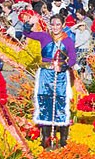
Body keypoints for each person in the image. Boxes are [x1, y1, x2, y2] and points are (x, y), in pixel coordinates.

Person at [28, 14, 76, 150]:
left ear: (63, 25)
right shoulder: (44, 37)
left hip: (60, 76)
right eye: (53, 25)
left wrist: (64, 66)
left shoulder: (68, 41)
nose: (55, 27)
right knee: (45, 101)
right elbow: (27, 33)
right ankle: (45, 137)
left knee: (60, 102)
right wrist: (29, 23)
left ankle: (63, 139)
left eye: (58, 25)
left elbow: (73, 58)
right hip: (45, 75)